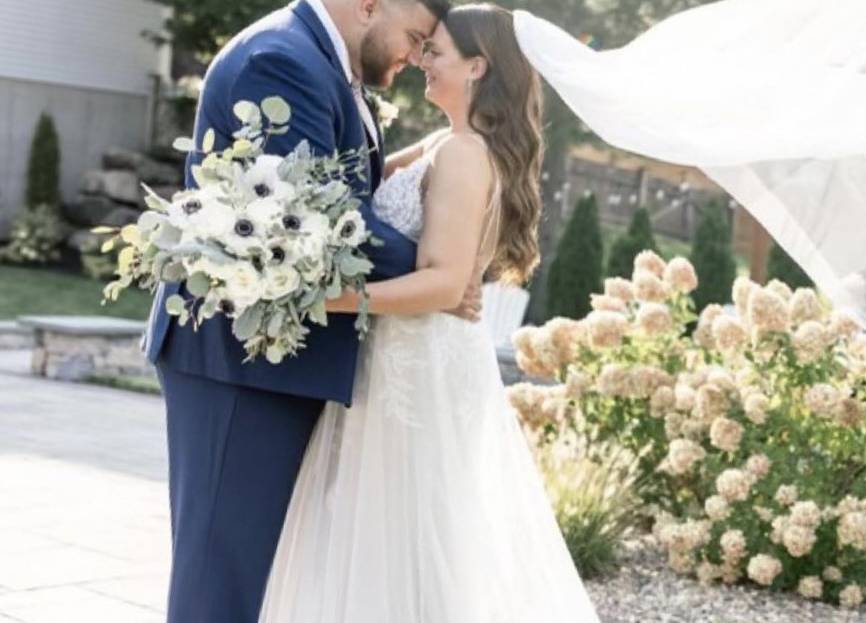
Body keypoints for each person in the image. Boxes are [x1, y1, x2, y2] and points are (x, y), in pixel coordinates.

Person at [138, 0, 491, 620]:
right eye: (413, 37)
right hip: (241, 364)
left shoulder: (323, 63)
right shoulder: (282, 61)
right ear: (369, 5)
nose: (413, 57)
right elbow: (316, 227)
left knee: (258, 578)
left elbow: (350, 193)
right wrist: (439, 269)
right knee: (222, 582)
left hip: (276, 359)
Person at [259, 5, 602, 621]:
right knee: (380, 530)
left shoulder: (466, 155)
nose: (421, 60)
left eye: (435, 51)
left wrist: (319, 300)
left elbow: (444, 286)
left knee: (408, 532)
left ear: (477, 66)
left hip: (419, 367)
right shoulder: (447, 141)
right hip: (397, 356)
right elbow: (364, 186)